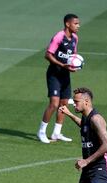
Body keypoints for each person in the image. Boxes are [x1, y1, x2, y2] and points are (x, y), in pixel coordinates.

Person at [37, 14, 80, 143]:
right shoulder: (59, 37)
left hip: (65, 75)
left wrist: (73, 66)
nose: (78, 26)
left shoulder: (75, 38)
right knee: (54, 103)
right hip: (54, 74)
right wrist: (62, 65)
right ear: (68, 24)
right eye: (76, 23)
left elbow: (73, 55)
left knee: (64, 104)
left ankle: (56, 133)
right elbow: (48, 55)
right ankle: (41, 131)